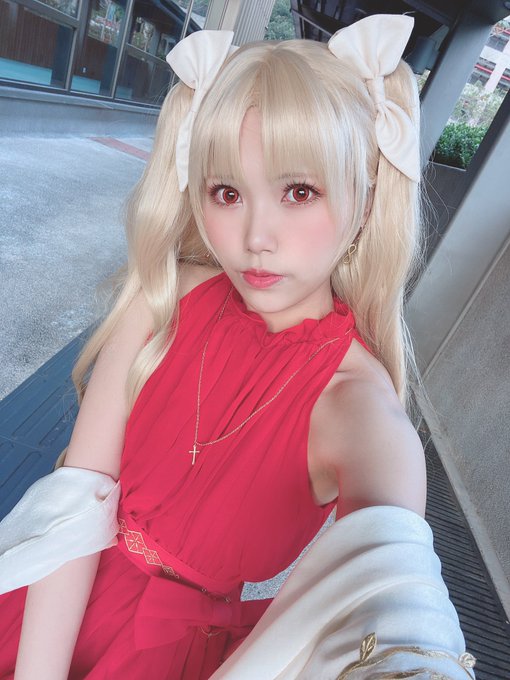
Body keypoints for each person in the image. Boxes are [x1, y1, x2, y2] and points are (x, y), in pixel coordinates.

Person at [0, 14, 475, 680]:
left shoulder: (360, 410)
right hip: (47, 607)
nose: (256, 236)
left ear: (365, 203)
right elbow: (73, 508)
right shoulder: (164, 298)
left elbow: (399, 604)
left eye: (299, 192)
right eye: (228, 192)